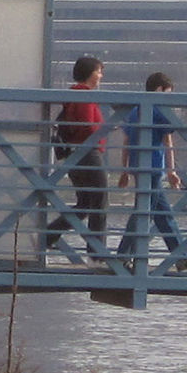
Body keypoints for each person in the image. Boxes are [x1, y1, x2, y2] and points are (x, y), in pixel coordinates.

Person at [116, 70, 185, 266]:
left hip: (138, 166)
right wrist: (171, 170)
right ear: (159, 89)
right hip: (153, 167)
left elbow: (127, 141)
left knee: (162, 215)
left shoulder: (134, 111)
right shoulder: (158, 111)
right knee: (143, 212)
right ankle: (122, 256)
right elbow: (169, 137)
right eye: (168, 93)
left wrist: (125, 170)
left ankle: (181, 257)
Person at [49, 55, 112, 263]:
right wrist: (106, 129)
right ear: (89, 73)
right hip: (88, 153)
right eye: (99, 71)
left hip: (76, 154)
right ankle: (97, 251)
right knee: (100, 199)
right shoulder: (83, 94)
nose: (101, 76)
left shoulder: (73, 94)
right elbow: (86, 126)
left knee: (85, 203)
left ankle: (48, 235)